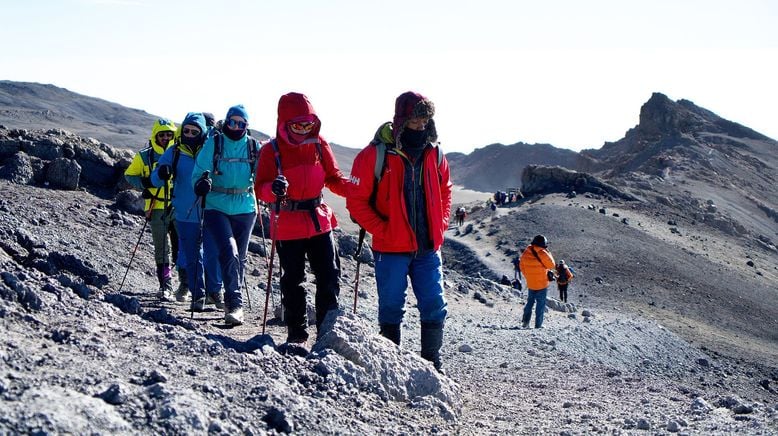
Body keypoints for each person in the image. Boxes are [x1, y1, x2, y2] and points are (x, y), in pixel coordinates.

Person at [347, 91, 452, 372]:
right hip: (390, 249)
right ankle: (393, 365)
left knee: (434, 305)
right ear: (401, 120)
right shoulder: (374, 155)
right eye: (415, 121)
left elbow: (445, 191)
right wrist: (383, 229)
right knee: (391, 308)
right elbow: (356, 201)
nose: (420, 127)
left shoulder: (436, 153)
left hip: (428, 248)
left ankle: (432, 364)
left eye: (424, 121)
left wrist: (440, 224)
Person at [255, 92, 350, 343]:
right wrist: (272, 189)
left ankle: (327, 335)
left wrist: (358, 190)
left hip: (319, 220)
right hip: (288, 223)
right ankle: (296, 335)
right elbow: (260, 188)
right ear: (284, 123)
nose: (304, 129)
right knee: (293, 280)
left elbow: (333, 178)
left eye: (308, 124)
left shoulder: (320, 144)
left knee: (329, 275)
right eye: (298, 124)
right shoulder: (270, 150)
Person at [191, 105, 259, 326]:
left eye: (241, 124)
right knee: (229, 251)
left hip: (246, 207)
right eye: (232, 122)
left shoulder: (253, 147)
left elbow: (262, 176)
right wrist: (201, 182)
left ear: (247, 126)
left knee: (239, 257)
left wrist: (273, 186)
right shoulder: (215, 143)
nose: (236, 127)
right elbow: (199, 170)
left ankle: (233, 300)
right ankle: (234, 304)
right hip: (216, 206)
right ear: (226, 121)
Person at [152, 112, 224, 312]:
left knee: (212, 252)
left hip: (211, 209)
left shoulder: (211, 150)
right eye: (187, 130)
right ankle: (195, 292)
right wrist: (161, 172)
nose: (190, 134)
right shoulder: (174, 151)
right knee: (189, 255)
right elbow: (156, 179)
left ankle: (214, 291)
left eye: (195, 131)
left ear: (203, 131)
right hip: (184, 211)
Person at [124, 118, 182, 302]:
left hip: (178, 205)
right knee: (162, 249)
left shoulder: (181, 155)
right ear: (155, 135)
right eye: (162, 134)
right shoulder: (144, 156)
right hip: (156, 208)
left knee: (182, 248)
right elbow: (129, 175)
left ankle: (184, 285)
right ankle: (166, 287)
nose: (165, 138)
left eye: (169, 134)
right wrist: (146, 184)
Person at [520, 234, 556, 329]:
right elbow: (551, 265)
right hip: (542, 284)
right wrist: (548, 252)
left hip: (531, 283)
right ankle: (538, 325)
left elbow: (521, 266)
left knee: (530, 302)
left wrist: (528, 277)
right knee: (540, 304)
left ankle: (525, 323)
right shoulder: (543, 253)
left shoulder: (526, 251)